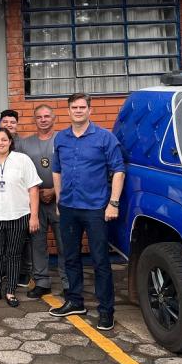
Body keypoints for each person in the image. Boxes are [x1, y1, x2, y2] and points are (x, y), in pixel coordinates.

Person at [49, 93, 125, 332]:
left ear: (89, 110)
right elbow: (57, 171)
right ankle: (75, 301)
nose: (78, 111)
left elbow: (119, 170)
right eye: (74, 107)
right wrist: (60, 200)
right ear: (68, 111)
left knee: (100, 260)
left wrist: (113, 203)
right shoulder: (61, 138)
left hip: (95, 208)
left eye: (82, 107)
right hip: (69, 207)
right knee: (70, 257)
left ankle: (106, 311)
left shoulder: (105, 138)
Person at [0, 128, 41, 308]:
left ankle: (11, 291)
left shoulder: (22, 160)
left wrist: (34, 216)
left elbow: (33, 189)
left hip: (19, 214)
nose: (0, 143)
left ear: (10, 141)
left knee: (14, 255)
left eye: (4, 139)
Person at [18, 105, 69, 299]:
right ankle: (42, 282)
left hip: (60, 199)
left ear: (54, 118)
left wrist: (55, 191)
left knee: (64, 243)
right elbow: (20, 173)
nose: (43, 120)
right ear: (34, 120)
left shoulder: (63, 140)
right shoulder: (24, 144)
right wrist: (36, 193)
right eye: (39, 117)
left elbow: (70, 170)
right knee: (37, 243)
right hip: (35, 201)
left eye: (47, 116)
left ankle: (68, 283)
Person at [0, 109, 30, 288]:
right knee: (2, 241)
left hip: (20, 199)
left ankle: (23, 273)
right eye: (5, 122)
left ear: (17, 125)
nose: (9, 125)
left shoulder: (23, 145)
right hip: (1, 200)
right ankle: (4, 271)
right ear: (0, 123)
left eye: (12, 122)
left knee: (22, 240)